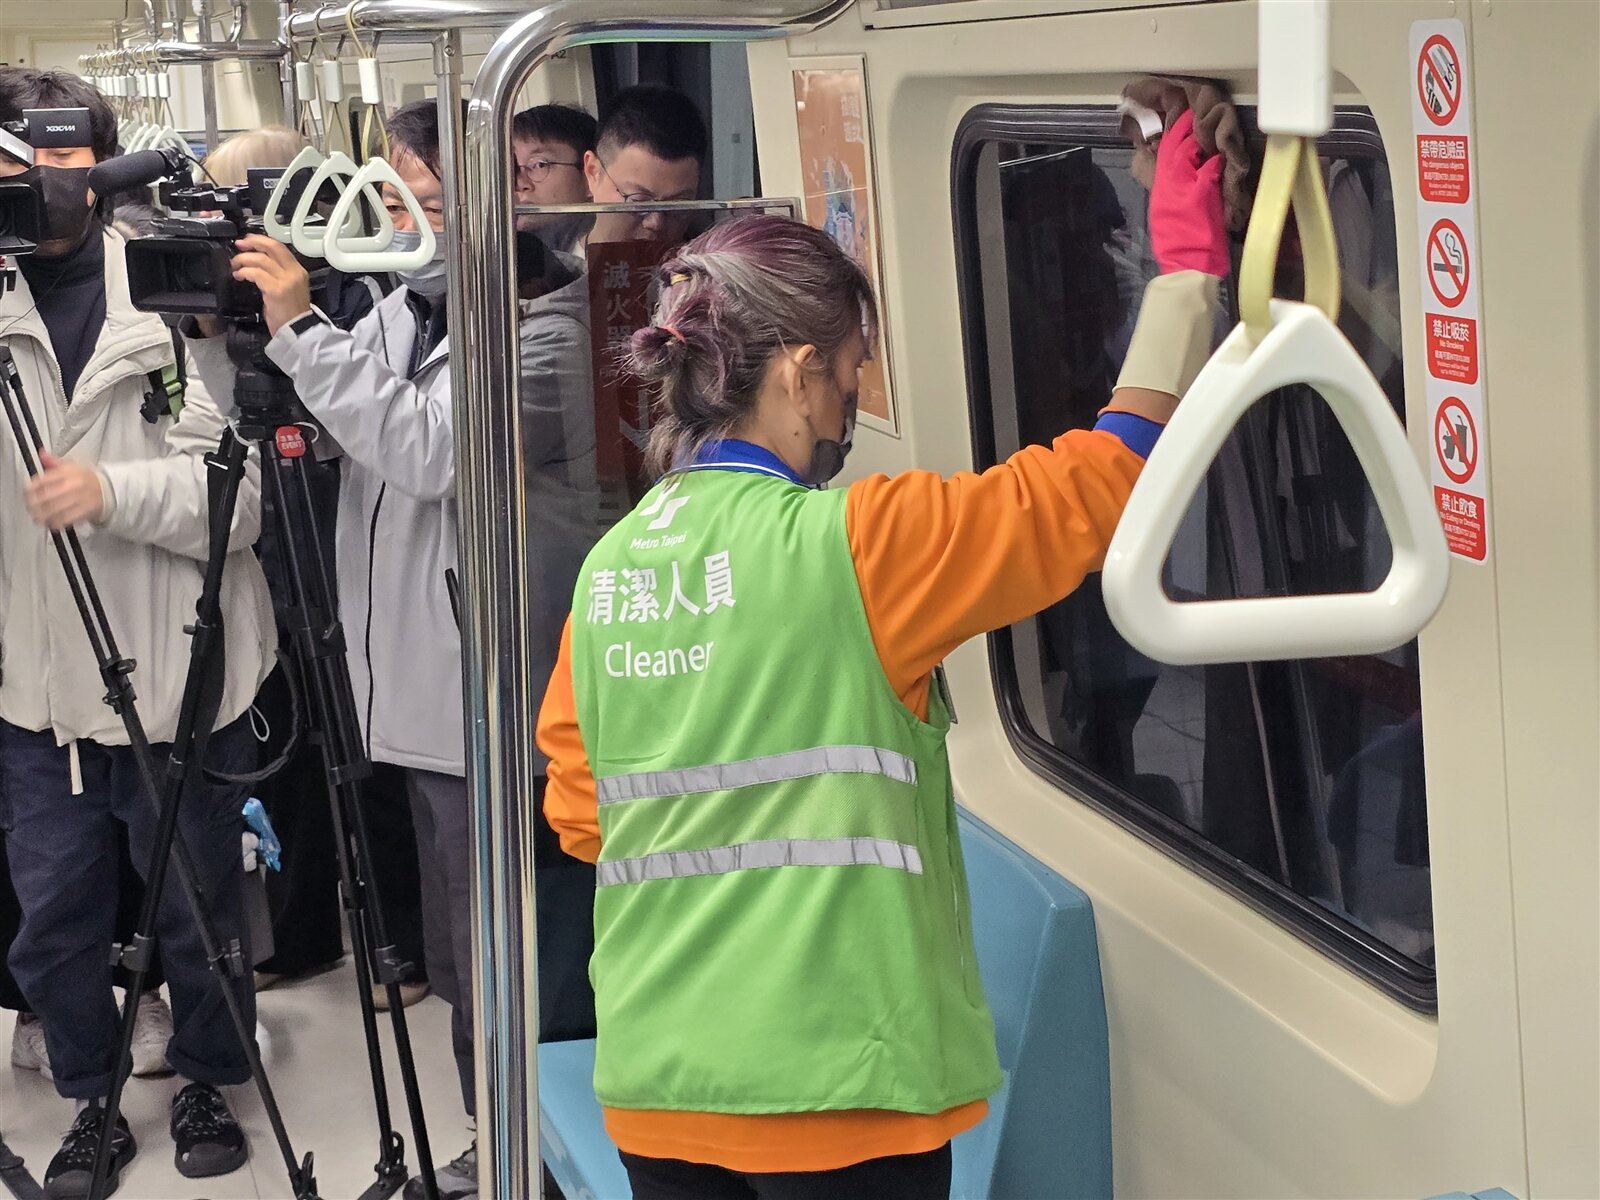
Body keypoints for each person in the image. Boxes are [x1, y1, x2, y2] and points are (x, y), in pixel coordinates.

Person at [534, 112, 1227, 1199]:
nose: (853, 398)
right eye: (853, 368)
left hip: (657, 1083)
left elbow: (582, 816)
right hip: (837, 1090)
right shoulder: (861, 546)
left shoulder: (613, 568)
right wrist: (1183, 273)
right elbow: (1098, 486)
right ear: (801, 372)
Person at [212, 97, 606, 1200]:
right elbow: (313, 416)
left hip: (500, 704)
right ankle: (498, 1149)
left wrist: (300, 328)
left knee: (514, 967)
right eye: (392, 199)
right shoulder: (401, 316)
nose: (402, 222)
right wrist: (242, 335)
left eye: (428, 202)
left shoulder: (555, 328)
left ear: (494, 203)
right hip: (420, 703)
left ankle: (535, 1156)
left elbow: (430, 452)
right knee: (460, 962)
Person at [0, 67, 274, 1196]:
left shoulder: (170, 292)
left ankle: (209, 1072)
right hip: (37, 688)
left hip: (180, 666)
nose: (49, 192)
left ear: (107, 168)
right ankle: (89, 1099)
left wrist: (107, 494)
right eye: (25, 169)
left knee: (198, 898)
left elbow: (240, 502)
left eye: (72, 164)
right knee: (53, 921)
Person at [583, 84, 706, 245]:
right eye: (639, 201)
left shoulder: (708, 264)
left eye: (678, 205)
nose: (656, 223)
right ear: (593, 173)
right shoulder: (552, 263)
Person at [513, 103, 597, 251]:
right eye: (512, 167)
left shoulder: (602, 255)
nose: (520, 183)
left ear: (589, 175)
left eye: (540, 164)